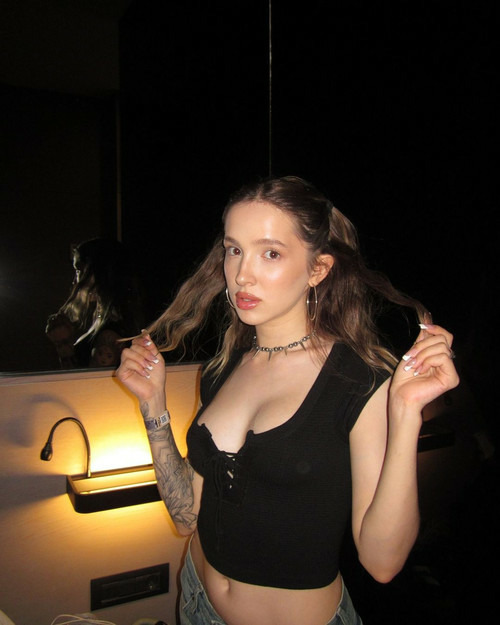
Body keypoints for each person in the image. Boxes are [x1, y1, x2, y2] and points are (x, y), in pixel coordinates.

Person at [116, 176, 459, 625]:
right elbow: (187, 517)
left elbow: (382, 563)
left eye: (270, 253)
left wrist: (406, 412)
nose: (242, 274)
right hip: (197, 602)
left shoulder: (358, 381)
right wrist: (152, 406)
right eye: (234, 249)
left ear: (318, 269)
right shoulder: (222, 368)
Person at [46, 237, 144, 368]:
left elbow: (88, 378)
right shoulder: (112, 322)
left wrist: (63, 344)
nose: (75, 281)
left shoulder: (109, 335)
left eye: (79, 271)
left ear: (98, 273)